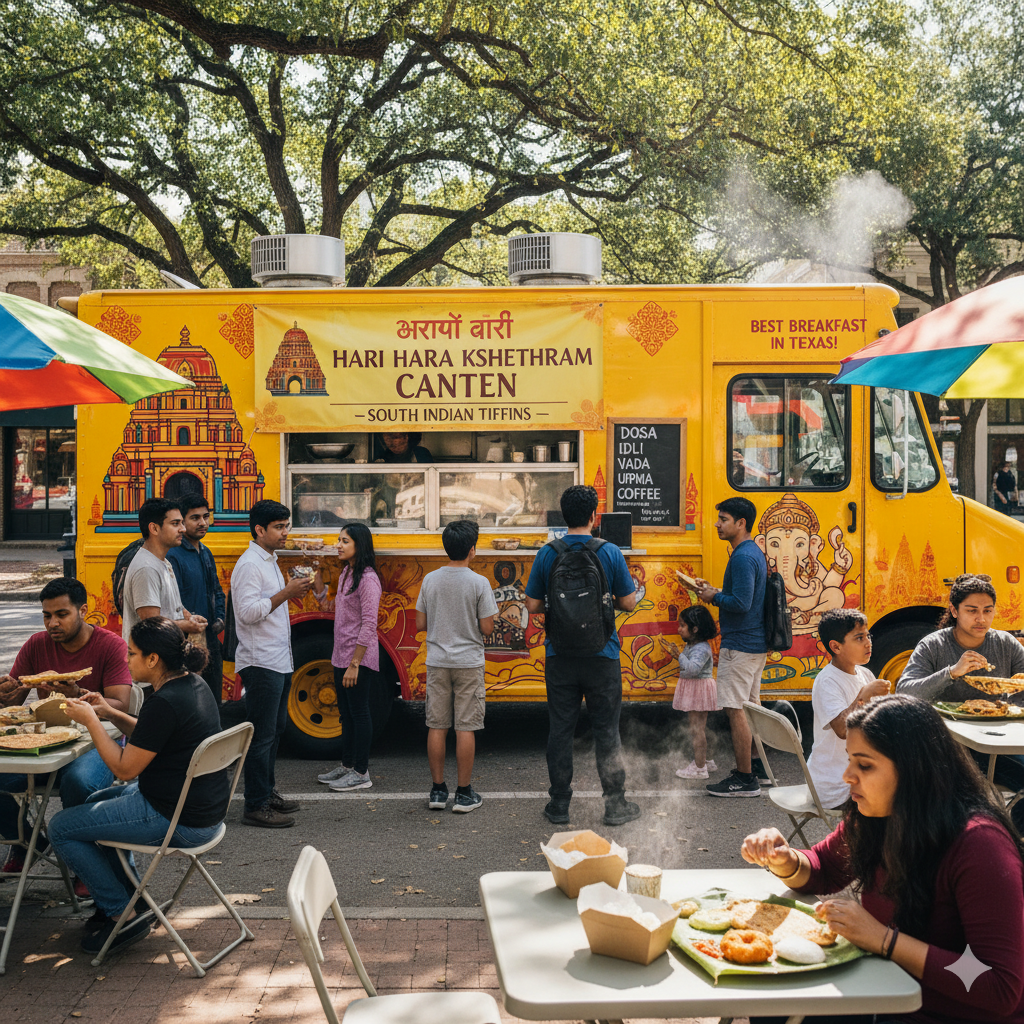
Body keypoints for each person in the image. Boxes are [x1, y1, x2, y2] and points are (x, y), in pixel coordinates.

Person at [741, 694, 1024, 1024]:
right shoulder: (876, 816)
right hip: (887, 993)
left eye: (865, 765)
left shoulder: (979, 846)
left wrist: (884, 940)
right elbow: (823, 868)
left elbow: (999, 987)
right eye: (849, 760)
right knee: (767, 1004)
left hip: (940, 1013)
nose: (848, 775)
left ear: (913, 771)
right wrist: (784, 860)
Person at [49, 617, 231, 956]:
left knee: (60, 827)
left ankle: (121, 912)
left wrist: (91, 721)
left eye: (131, 653)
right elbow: (151, 736)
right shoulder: (191, 683)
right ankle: (132, 897)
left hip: (179, 818)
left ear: (153, 659)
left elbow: (124, 767)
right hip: (202, 810)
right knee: (94, 803)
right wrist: (107, 712)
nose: (126, 659)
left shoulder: (165, 702)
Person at [0, 578, 132, 884]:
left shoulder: (110, 645)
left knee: (78, 783)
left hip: (97, 744)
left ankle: (86, 866)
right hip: (47, 743)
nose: (52, 623)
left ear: (82, 610)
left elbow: (121, 704)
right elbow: (15, 700)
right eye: (47, 615)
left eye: (61, 614)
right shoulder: (36, 644)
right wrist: (5, 691)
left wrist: (77, 691)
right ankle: (25, 843)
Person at [524, 484, 640, 827]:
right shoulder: (608, 551)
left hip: (560, 655)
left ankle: (559, 805)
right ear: (594, 515)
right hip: (602, 654)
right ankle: (615, 805)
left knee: (560, 729)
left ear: (564, 515)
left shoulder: (548, 553)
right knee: (607, 730)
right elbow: (629, 601)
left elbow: (532, 605)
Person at [898, 572, 1024, 830]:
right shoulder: (933, 645)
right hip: (948, 746)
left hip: (997, 740)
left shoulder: (1005, 644)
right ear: (954, 611)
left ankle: (1011, 840)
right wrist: (952, 672)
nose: (981, 619)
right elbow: (904, 693)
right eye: (972, 610)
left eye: (988, 610)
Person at [232, 500, 312, 827]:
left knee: (275, 731)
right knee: (262, 735)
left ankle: (267, 793)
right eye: (279, 527)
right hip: (260, 660)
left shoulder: (270, 560)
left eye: (286, 526)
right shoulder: (250, 564)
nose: (285, 533)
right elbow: (248, 613)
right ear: (259, 530)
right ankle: (255, 804)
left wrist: (292, 590)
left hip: (277, 658)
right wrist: (287, 593)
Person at [414, 519, 497, 812]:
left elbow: (420, 623)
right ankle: (464, 794)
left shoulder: (430, 580)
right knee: (466, 727)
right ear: (472, 550)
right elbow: (487, 628)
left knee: (436, 725)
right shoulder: (480, 583)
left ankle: (437, 792)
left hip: (438, 661)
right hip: (468, 662)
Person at [696, 496, 769, 797]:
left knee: (736, 710)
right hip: (754, 645)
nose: (717, 524)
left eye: (723, 519)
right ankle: (757, 766)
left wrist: (714, 598)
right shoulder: (752, 553)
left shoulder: (741, 556)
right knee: (752, 710)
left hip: (739, 647)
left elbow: (741, 603)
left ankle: (744, 778)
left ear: (741, 523)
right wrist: (715, 591)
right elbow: (744, 596)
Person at [313, 523, 383, 793]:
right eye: (338, 540)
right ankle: (347, 766)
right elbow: (331, 608)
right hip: (341, 655)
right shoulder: (346, 574)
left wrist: (355, 664)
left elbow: (369, 624)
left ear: (359, 545)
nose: (338, 545)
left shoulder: (367, 579)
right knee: (346, 715)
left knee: (359, 713)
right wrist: (317, 582)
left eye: (345, 541)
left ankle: (361, 773)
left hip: (358, 658)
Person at [806, 609, 888, 809]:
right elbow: (842, 730)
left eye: (868, 635)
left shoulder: (865, 674)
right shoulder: (827, 681)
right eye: (859, 638)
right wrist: (863, 696)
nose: (868, 642)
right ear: (836, 646)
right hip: (835, 785)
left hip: (861, 773)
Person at [167, 493, 226, 709]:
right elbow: (174, 602)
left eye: (206, 516)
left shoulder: (206, 552)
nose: (203, 523)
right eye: (195, 518)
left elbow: (217, 591)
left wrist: (219, 617)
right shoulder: (173, 555)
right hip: (185, 642)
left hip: (210, 639)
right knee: (191, 706)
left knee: (213, 703)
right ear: (182, 523)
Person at [122, 497, 206, 643]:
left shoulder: (163, 562)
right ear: (154, 528)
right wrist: (186, 626)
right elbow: (152, 625)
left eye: (182, 523)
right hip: (148, 662)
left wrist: (189, 617)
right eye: (175, 524)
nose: (183, 529)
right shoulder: (146, 568)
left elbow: (173, 607)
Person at [662, 605, 719, 780]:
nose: (678, 629)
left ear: (695, 629)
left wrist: (677, 655)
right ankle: (706, 760)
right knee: (700, 728)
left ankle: (700, 768)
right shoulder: (695, 644)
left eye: (682, 625)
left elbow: (693, 670)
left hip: (698, 689)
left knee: (696, 729)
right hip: (698, 688)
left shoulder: (701, 648)